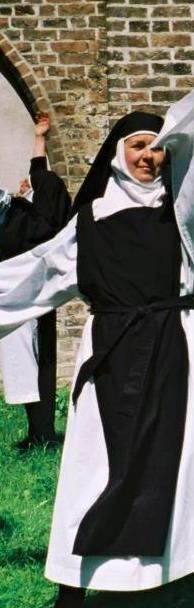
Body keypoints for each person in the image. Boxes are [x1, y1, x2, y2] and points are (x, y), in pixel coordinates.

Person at [0, 44, 194, 608]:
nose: (149, 157)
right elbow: (33, 277)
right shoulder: (89, 222)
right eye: (138, 146)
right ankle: (71, 599)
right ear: (118, 154)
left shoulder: (182, 213)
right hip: (112, 353)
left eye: (158, 147)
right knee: (95, 469)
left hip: (175, 347)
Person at [0, 112, 71, 449]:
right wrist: (40, 140)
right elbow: (41, 177)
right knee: (32, 365)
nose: (25, 186)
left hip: (22, 295)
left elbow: (42, 180)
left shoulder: (32, 222)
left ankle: (41, 432)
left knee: (31, 365)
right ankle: (40, 432)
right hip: (27, 294)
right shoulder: (35, 218)